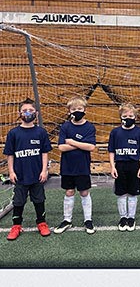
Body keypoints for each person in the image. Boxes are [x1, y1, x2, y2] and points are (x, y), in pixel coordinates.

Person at [4, 98, 52, 241]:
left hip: (37, 175)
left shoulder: (41, 132)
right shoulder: (13, 133)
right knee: (18, 202)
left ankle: (42, 223)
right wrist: (11, 171)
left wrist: (44, 170)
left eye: (30, 110)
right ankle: (16, 226)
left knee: (39, 200)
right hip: (20, 176)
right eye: (24, 110)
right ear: (19, 113)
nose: (27, 113)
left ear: (36, 113)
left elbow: (45, 153)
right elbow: (10, 154)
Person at [54, 96, 96, 234]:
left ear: (85, 110)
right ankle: (67, 220)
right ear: (69, 111)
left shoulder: (89, 127)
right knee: (69, 192)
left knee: (84, 192)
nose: (77, 111)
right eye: (74, 109)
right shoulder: (65, 126)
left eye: (79, 109)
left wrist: (71, 142)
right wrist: (81, 145)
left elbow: (91, 147)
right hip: (67, 167)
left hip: (82, 167)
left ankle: (88, 220)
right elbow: (61, 147)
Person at [108, 103, 140, 231]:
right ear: (120, 117)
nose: (128, 117)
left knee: (132, 193)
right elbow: (111, 151)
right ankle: (123, 218)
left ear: (135, 117)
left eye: (131, 115)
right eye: (125, 115)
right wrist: (112, 167)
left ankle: (131, 218)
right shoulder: (115, 132)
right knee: (121, 193)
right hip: (120, 165)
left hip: (134, 165)